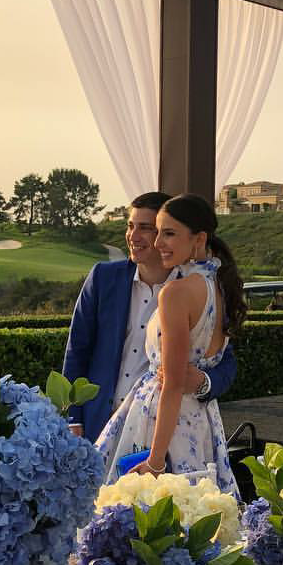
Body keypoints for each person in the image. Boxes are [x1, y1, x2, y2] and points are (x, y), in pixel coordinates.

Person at [95, 194, 246, 498]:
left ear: (199, 238)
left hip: (162, 425)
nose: (158, 243)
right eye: (158, 232)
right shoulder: (219, 286)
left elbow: (173, 385)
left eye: (169, 233)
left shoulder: (176, 293)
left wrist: (155, 461)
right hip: (202, 421)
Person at [62, 191, 237, 443]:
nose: (133, 236)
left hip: (160, 429)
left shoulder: (192, 290)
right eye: (130, 226)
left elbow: (225, 360)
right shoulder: (102, 278)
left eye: (145, 228)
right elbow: (77, 351)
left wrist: (204, 382)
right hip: (99, 424)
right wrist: (73, 418)